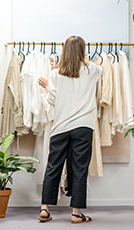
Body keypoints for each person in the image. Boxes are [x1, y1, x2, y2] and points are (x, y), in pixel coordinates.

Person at [37, 36, 102, 224]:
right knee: (79, 169)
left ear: (64, 50)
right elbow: (100, 69)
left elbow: (52, 100)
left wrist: (48, 86)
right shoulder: (92, 70)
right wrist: (82, 58)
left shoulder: (56, 74)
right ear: (83, 51)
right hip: (83, 126)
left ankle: (44, 209)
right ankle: (76, 213)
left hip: (60, 127)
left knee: (53, 166)